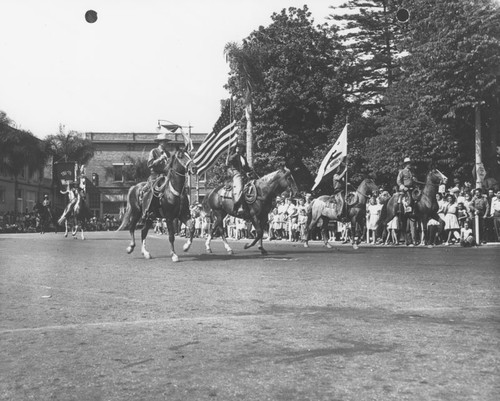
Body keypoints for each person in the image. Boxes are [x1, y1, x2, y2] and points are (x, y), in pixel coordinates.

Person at [142, 133, 172, 220]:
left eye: (167, 142)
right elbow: (149, 164)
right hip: (155, 174)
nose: (166, 143)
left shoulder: (168, 153)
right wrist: (160, 159)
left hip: (165, 175)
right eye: (164, 142)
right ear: (160, 142)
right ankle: (149, 210)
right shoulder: (154, 151)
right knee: (153, 190)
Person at [226, 140, 253, 215]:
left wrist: (251, 171)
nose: (240, 149)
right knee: (239, 187)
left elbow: (246, 167)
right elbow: (230, 160)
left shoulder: (242, 157)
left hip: (243, 174)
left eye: (241, 147)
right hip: (236, 173)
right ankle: (237, 205)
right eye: (238, 147)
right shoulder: (233, 156)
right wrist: (236, 154)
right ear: (235, 148)